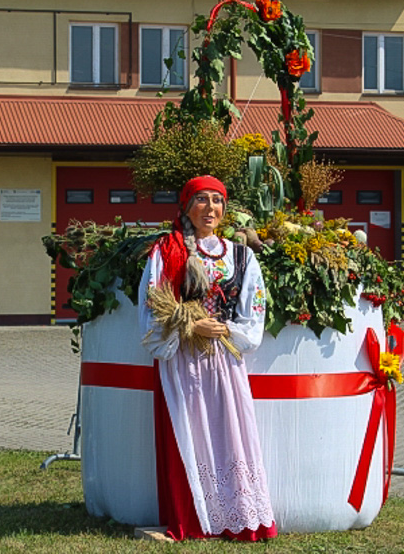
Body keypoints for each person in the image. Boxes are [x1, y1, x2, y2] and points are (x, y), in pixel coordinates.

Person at [138, 175, 277, 541]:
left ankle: (236, 517)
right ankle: (193, 519)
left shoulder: (241, 255)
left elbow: (254, 308)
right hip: (182, 359)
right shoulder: (167, 252)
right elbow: (152, 306)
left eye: (217, 201)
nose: (210, 208)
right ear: (186, 207)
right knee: (190, 431)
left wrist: (229, 331)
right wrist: (188, 325)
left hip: (225, 360)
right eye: (201, 200)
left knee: (229, 429)